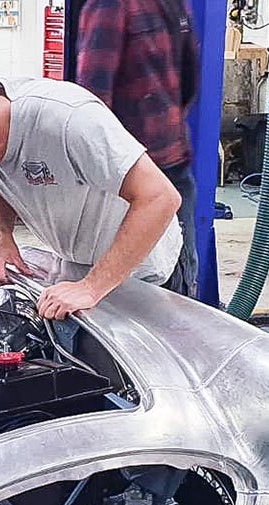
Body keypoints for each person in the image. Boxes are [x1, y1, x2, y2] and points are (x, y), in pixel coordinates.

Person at [0, 78, 185, 321]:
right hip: (78, 270)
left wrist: (93, 287)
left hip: (143, 274)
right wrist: (1, 234)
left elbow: (160, 197)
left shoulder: (70, 121)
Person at [75, 0, 201, 298]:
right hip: (169, 158)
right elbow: (190, 79)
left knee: (130, 287)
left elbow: (91, 105)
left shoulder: (109, 5)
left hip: (133, 172)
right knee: (179, 279)